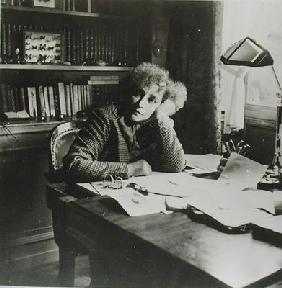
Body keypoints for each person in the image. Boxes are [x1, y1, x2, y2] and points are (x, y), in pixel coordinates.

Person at [63, 62, 187, 182]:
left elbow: (176, 166)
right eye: (137, 94)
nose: (141, 104)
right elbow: (74, 164)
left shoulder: (158, 122)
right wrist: (129, 169)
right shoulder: (105, 118)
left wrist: (162, 117)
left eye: (152, 100)